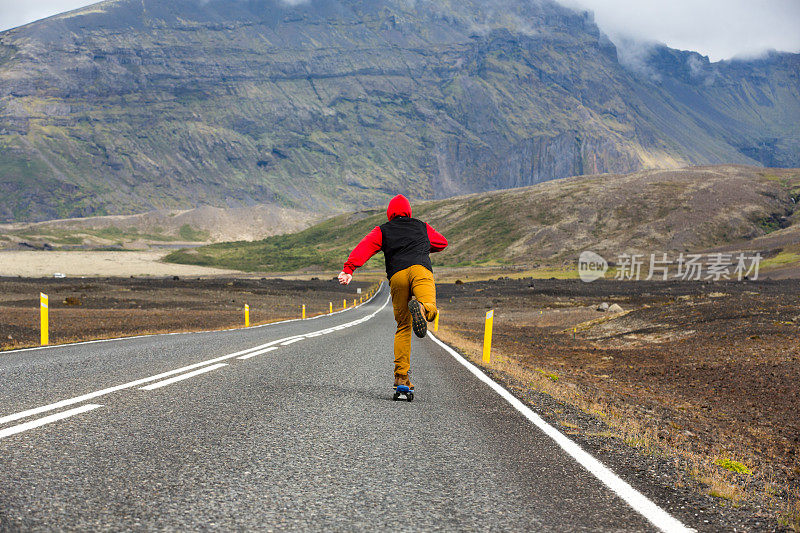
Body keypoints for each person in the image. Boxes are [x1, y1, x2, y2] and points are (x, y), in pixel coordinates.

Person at [338, 194, 448, 392]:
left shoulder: (383, 230)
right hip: (421, 270)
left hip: (397, 275)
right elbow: (442, 242)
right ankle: (423, 309)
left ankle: (401, 378)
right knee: (430, 307)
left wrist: (349, 269)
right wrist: (422, 246)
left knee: (404, 326)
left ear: (390, 213)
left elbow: (365, 247)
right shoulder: (421, 226)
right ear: (409, 211)